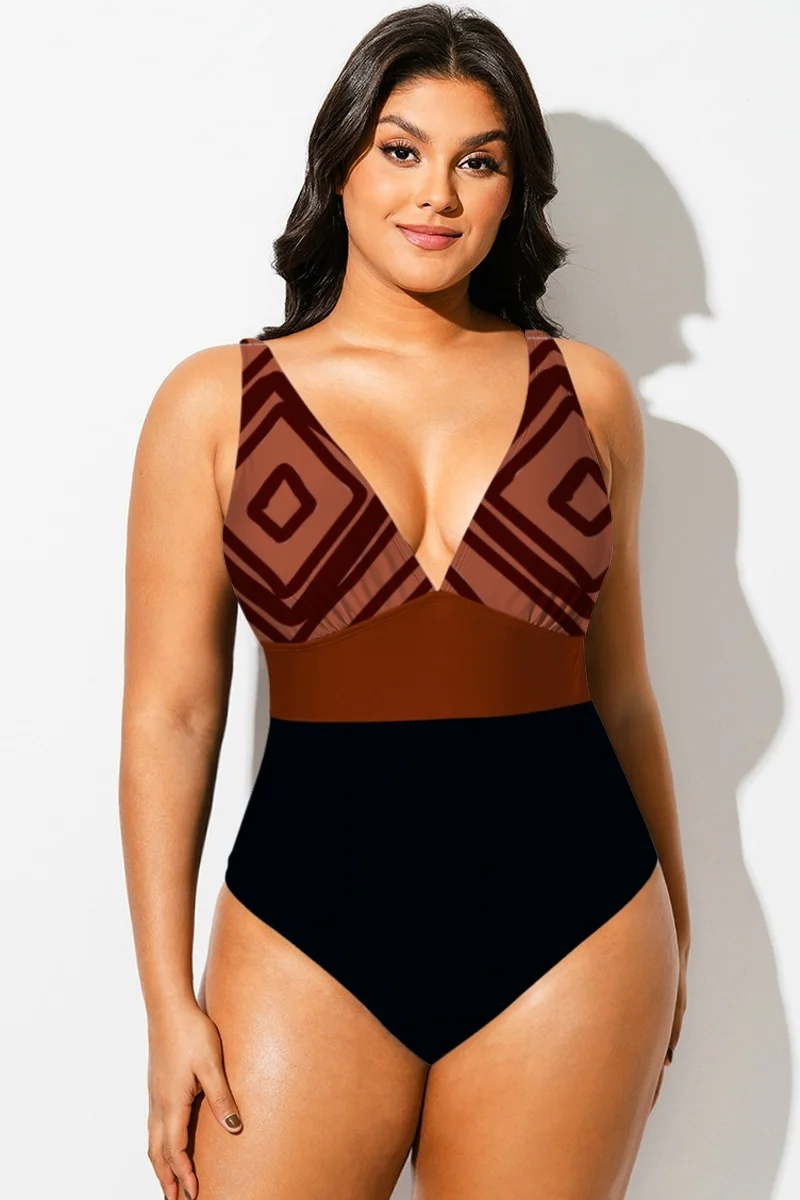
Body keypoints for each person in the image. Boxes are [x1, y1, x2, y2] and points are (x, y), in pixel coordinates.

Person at [119, 5, 691, 1197]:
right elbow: (171, 716)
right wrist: (167, 1001)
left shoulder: (586, 396)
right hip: (303, 932)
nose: (436, 193)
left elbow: (625, 696)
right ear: (338, 164)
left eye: (478, 161)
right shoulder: (215, 404)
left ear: (512, 191)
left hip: (579, 931)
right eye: (400, 149)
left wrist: (676, 934)